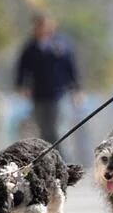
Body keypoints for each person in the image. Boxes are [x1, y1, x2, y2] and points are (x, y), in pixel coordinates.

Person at [14, 12, 81, 156]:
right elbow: (22, 68)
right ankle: (51, 161)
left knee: (57, 129)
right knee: (44, 130)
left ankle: (64, 162)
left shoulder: (61, 45)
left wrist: (77, 89)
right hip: (39, 95)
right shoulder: (30, 47)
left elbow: (71, 68)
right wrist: (22, 86)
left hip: (58, 94)